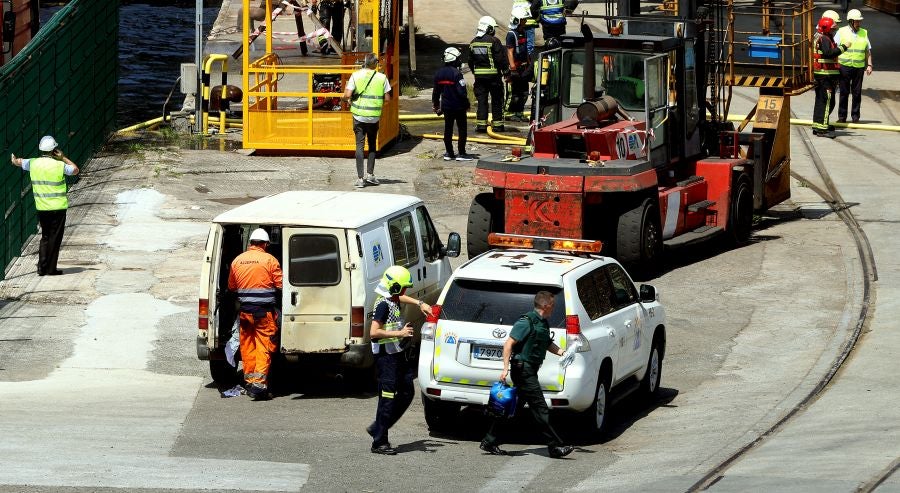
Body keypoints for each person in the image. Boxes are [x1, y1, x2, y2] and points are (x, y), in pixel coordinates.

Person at [480, 291, 574, 459]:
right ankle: (555, 446)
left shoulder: (542, 322)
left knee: (512, 408)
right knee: (540, 409)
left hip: (530, 370)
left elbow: (546, 343)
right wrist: (505, 368)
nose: (554, 308)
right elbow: (508, 344)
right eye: (553, 305)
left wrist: (562, 352)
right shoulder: (526, 322)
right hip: (523, 371)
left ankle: (489, 440)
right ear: (545, 306)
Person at [367, 265, 432, 455]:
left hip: (397, 355)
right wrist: (400, 333)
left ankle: (378, 426)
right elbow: (374, 332)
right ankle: (379, 442)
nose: (405, 291)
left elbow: (401, 297)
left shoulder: (392, 297)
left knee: (407, 391)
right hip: (386, 359)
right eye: (402, 287)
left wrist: (420, 304)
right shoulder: (383, 305)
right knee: (387, 399)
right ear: (394, 287)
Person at [10, 136, 79, 276]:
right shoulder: (59, 165)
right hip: (58, 207)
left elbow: (17, 162)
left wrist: (13, 158)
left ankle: (42, 267)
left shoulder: (33, 163)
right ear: (54, 150)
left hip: (42, 207)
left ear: (41, 149)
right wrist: (63, 158)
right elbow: (75, 170)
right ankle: (51, 269)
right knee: (55, 238)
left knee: (45, 236)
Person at [228, 228, 283, 400]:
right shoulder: (270, 260)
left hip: (245, 313)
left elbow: (232, 287)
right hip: (263, 314)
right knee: (263, 346)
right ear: (266, 244)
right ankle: (260, 385)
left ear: (251, 243)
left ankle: (250, 382)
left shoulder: (237, 260)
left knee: (247, 346)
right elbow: (282, 285)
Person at [343, 53, 391, 188]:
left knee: (359, 146)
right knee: (372, 145)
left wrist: (346, 100)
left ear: (364, 62)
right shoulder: (382, 78)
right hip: (374, 117)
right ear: (375, 64)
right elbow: (387, 99)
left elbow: (347, 95)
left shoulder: (355, 75)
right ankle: (370, 175)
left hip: (358, 116)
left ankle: (360, 179)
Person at [432, 47, 475, 161]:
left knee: (448, 129)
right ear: (454, 59)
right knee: (462, 129)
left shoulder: (439, 73)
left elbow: (436, 92)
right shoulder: (457, 74)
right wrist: (467, 104)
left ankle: (449, 153)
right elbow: (462, 92)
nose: (460, 61)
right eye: (458, 58)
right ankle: (461, 153)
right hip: (459, 106)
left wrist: (436, 106)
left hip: (446, 106)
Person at [468, 16, 509, 133]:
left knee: (482, 101)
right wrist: (506, 71)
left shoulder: (473, 43)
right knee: (497, 100)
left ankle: (481, 125)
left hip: (479, 78)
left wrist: (475, 72)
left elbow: (470, 61)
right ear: (489, 28)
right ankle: (498, 125)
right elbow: (500, 59)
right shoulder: (494, 41)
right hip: (494, 77)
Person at [834, 9, 873, 124]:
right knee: (844, 93)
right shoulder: (841, 32)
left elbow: (868, 51)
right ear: (851, 21)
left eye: (860, 21)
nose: (859, 23)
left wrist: (869, 65)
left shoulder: (864, 32)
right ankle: (842, 117)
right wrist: (835, 64)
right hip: (844, 67)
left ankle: (855, 117)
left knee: (857, 93)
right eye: (857, 21)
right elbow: (834, 49)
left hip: (859, 68)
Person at [811, 16, 847, 138]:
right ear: (826, 28)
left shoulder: (819, 36)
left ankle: (819, 124)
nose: (833, 31)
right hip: (825, 75)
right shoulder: (824, 39)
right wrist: (844, 47)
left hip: (822, 75)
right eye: (832, 29)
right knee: (827, 101)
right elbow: (829, 53)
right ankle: (822, 129)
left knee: (821, 101)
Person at [505, 5, 534, 123]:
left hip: (523, 67)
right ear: (517, 20)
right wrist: (512, 69)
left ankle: (519, 112)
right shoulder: (511, 34)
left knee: (524, 92)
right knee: (514, 93)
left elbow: (525, 49)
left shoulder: (524, 32)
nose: (525, 21)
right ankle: (508, 113)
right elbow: (510, 52)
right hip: (515, 67)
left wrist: (528, 63)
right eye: (523, 19)